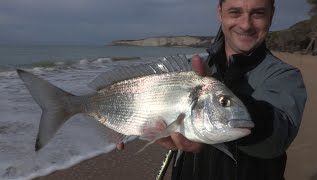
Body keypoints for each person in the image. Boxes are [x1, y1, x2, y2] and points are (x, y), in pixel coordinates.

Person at [118, 0, 307, 179]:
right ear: (220, 12)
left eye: (258, 13)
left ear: (271, 14)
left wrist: (234, 109)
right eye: (235, 12)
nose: (246, 24)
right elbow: (150, 105)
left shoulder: (284, 76)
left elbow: (278, 137)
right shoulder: (190, 70)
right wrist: (125, 123)